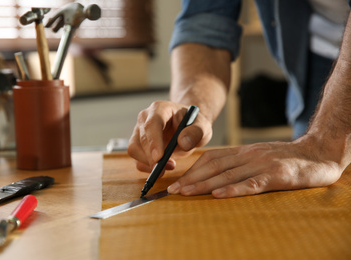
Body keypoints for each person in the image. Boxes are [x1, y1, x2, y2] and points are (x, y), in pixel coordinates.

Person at [127, 0, 351, 198]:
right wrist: (191, 107)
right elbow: (207, 25)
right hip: (315, 61)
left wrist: (324, 143)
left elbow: (326, 147)